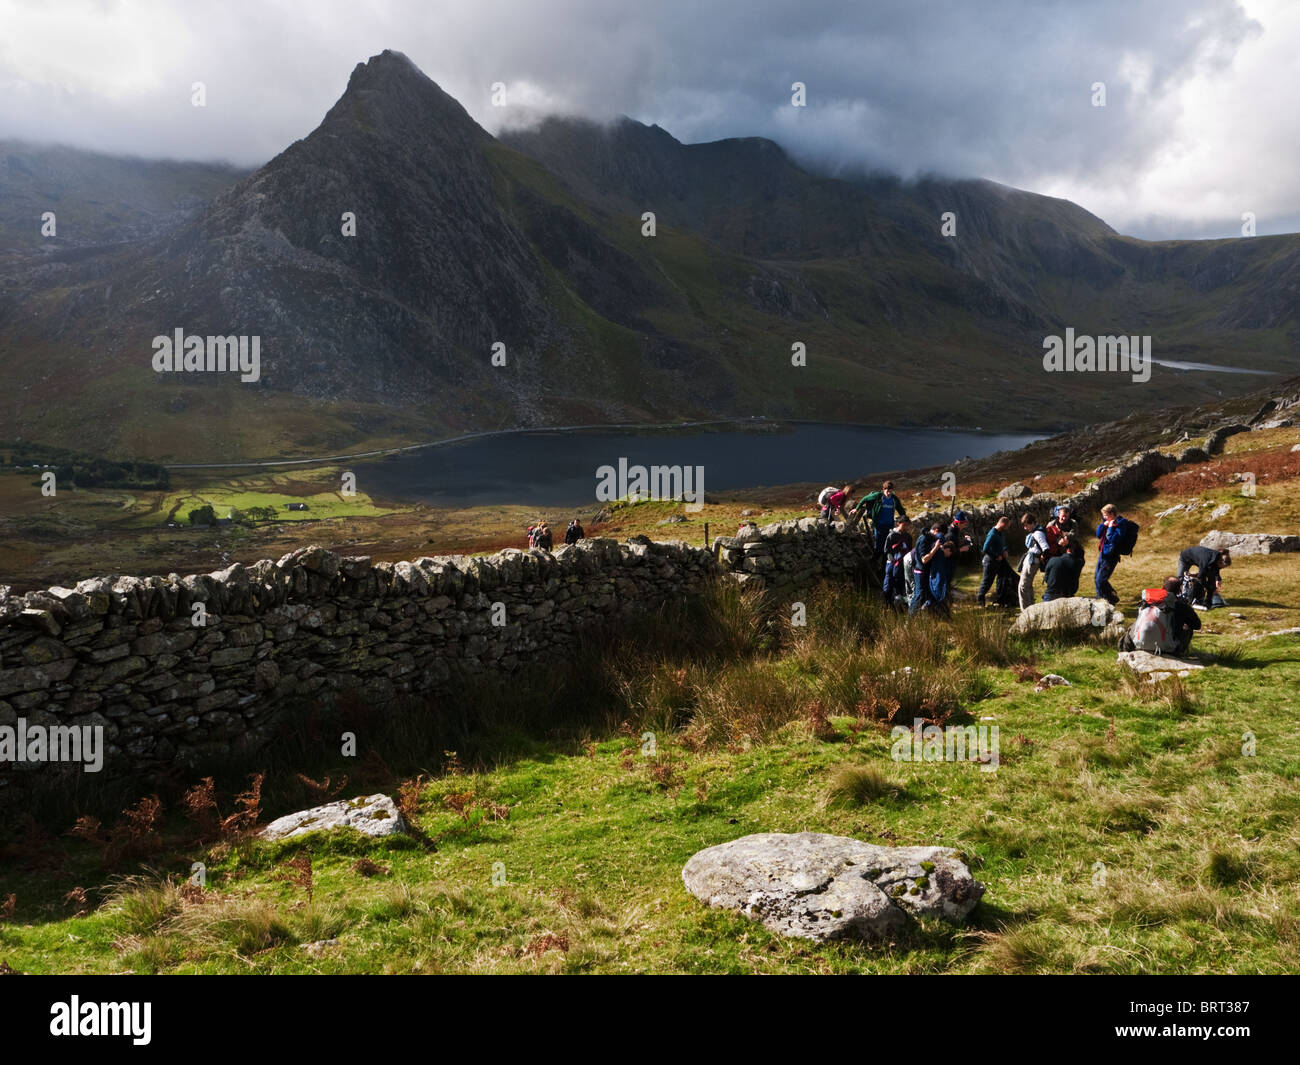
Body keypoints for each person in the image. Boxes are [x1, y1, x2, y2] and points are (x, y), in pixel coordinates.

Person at [856, 480, 908, 556]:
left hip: (889, 525)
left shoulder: (894, 499)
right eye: (887, 491)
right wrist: (856, 509)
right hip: (879, 525)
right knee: (878, 544)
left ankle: (884, 561)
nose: (889, 493)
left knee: (888, 545)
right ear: (883, 489)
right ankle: (875, 559)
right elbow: (865, 499)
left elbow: (900, 509)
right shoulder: (878, 496)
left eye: (890, 491)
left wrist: (905, 519)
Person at [976, 515, 1012, 607]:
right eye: (1007, 526)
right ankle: (980, 601)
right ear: (1003, 524)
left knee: (1003, 578)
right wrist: (996, 556)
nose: (1008, 528)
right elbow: (985, 548)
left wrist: (1005, 550)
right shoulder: (992, 534)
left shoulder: (1000, 533)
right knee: (987, 582)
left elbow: (1002, 544)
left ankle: (1001, 599)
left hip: (999, 562)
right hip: (990, 562)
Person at [1018, 512, 1051, 609]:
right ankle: (1031, 607)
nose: (1025, 528)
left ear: (1032, 523)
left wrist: (1042, 556)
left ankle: (1025, 610)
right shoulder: (1036, 532)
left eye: (1026, 525)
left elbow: (1045, 547)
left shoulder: (1037, 533)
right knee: (1027, 585)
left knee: (1023, 586)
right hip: (1031, 560)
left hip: (1032, 562)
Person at [909, 519, 942, 615]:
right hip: (920, 571)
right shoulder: (924, 539)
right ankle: (910, 618)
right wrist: (935, 548)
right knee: (919, 595)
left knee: (927, 595)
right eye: (939, 534)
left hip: (926, 571)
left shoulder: (931, 538)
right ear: (936, 530)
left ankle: (927, 615)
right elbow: (924, 559)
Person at [1094, 503, 1125, 605]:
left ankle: (1111, 598)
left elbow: (1113, 539)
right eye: (1103, 515)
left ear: (1112, 514)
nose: (1104, 517)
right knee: (1096, 578)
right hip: (1103, 554)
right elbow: (1098, 535)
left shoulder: (1121, 524)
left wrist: (1111, 528)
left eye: (1106, 515)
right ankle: (1100, 598)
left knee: (1101, 580)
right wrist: (1103, 525)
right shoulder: (1106, 522)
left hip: (1111, 556)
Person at [1042, 534, 1085, 601]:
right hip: (1067, 595)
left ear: (1067, 550)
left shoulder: (1053, 560)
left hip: (1050, 595)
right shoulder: (1077, 564)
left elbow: (1046, 579)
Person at [923, 537, 958, 616]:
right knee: (936, 599)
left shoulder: (938, 552)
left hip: (931, 578)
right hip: (935, 581)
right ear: (948, 549)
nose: (948, 556)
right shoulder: (940, 556)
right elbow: (939, 571)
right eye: (950, 554)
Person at [882, 516, 912, 609]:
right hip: (892, 563)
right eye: (904, 524)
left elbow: (910, 550)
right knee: (889, 583)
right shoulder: (892, 535)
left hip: (903, 563)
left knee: (900, 583)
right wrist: (893, 561)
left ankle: (898, 604)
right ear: (899, 523)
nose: (906, 527)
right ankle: (886, 603)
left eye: (907, 525)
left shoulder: (908, 536)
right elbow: (887, 550)